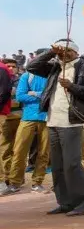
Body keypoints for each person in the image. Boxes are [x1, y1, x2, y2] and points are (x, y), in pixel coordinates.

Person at [26, 40, 84, 216]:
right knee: (58, 166)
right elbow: (32, 66)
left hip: (72, 122)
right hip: (52, 121)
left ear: (75, 52)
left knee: (72, 164)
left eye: (66, 51)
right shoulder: (54, 66)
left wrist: (72, 86)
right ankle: (66, 202)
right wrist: (51, 52)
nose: (63, 54)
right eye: (60, 52)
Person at [3, 67, 49, 195]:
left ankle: (37, 183)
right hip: (28, 117)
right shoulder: (27, 76)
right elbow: (20, 96)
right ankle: (15, 183)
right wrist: (42, 95)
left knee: (44, 152)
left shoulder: (52, 76)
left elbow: (53, 96)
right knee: (19, 150)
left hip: (47, 117)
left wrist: (34, 93)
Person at [0, 58, 20, 193]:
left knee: (18, 150)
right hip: (7, 118)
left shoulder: (20, 80)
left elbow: (20, 97)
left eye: (13, 66)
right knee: (5, 149)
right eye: (9, 66)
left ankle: (15, 179)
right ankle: (6, 179)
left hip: (19, 118)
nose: (11, 68)